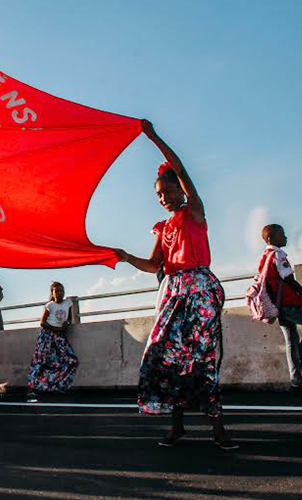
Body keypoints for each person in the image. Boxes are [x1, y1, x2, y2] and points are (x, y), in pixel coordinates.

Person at [116, 119, 236, 450]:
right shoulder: (163, 226)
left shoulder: (194, 211)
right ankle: (178, 425)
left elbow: (181, 169)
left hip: (198, 290)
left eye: (168, 191)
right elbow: (155, 265)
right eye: (159, 194)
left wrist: (153, 137)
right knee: (164, 357)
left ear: (181, 190)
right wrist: (125, 256)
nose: (164, 197)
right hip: (172, 292)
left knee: (201, 360)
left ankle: (218, 430)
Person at [260, 224, 302, 390]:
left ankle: (296, 381)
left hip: (278, 305)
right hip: (288, 304)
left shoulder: (265, 257)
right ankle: (301, 356)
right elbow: (289, 279)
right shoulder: (278, 254)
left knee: (291, 341)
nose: (286, 237)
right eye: (282, 235)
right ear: (270, 239)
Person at [27, 282, 79, 401]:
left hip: (60, 336)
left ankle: (57, 386)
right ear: (52, 293)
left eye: (62, 290)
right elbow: (42, 322)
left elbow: (69, 320)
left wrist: (64, 327)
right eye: (57, 291)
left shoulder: (68, 303)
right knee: (41, 362)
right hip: (47, 335)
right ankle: (33, 389)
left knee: (71, 361)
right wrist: (57, 329)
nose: (60, 293)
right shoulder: (50, 305)